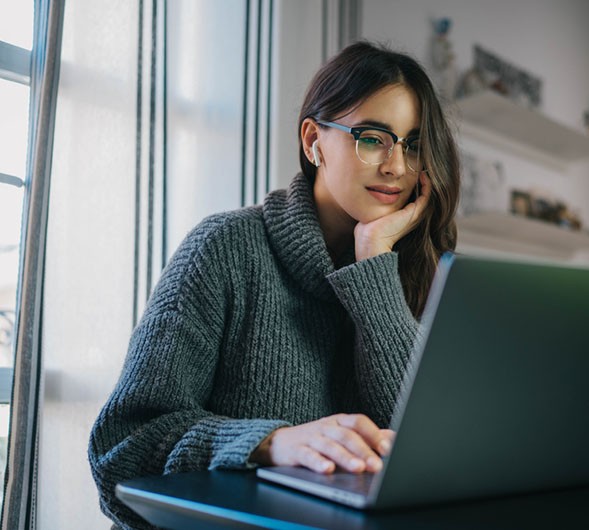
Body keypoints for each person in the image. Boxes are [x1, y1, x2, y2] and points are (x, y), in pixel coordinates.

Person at [88, 40, 461, 529]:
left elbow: (422, 453)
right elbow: (123, 448)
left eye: (413, 145)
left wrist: (374, 268)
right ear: (313, 141)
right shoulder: (224, 248)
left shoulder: (410, 268)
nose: (396, 166)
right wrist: (268, 443)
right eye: (373, 138)